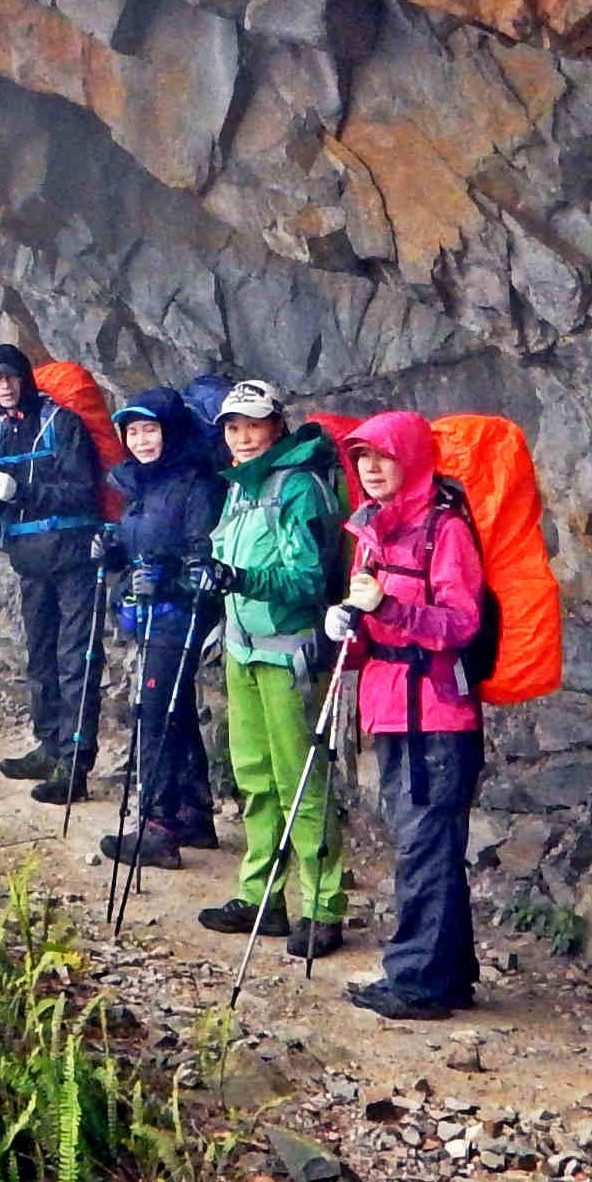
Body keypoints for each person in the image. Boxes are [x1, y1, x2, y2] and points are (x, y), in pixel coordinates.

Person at [329, 411, 499, 1021]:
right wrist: (348, 626)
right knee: (427, 841)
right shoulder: (374, 529)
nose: (371, 469)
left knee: (423, 844)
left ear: (413, 459)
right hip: (391, 702)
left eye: (383, 457)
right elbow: (370, 622)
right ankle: (448, 975)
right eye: (362, 459)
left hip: (436, 710)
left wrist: (392, 609)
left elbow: (462, 622)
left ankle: (417, 980)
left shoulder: (443, 530)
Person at [195, 379, 350, 961]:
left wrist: (241, 580)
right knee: (254, 776)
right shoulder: (240, 488)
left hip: (289, 653)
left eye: (253, 425)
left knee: (301, 779)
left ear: (276, 427)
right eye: (233, 427)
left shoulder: (298, 489)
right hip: (242, 648)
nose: (242, 437)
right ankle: (262, 896)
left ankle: (322, 906)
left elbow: (309, 580)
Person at [0, 344, 110, 806]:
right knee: (41, 657)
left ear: (25, 379)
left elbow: (82, 490)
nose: (5, 387)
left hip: (73, 556)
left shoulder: (63, 423)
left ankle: (75, 763)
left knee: (76, 658)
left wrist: (23, 490)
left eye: (10, 377)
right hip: (30, 560)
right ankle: (49, 744)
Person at [98, 387, 225, 867]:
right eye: (133, 431)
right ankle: (192, 813)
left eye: (150, 429)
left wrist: (166, 574)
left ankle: (157, 827)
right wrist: (113, 552)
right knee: (176, 712)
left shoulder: (195, 484)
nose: (142, 440)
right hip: (156, 613)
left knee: (154, 712)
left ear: (170, 431)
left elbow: (202, 551)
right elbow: (142, 546)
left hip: (180, 613)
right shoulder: (145, 484)